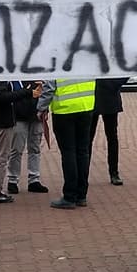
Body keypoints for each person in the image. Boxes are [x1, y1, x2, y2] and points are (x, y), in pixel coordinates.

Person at [41, 78, 95, 210]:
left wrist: (41, 107)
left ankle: (69, 196)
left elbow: (49, 87)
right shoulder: (88, 61)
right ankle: (81, 195)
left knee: (68, 153)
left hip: (64, 111)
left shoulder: (57, 62)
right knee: (82, 152)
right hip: (86, 107)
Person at [6, 80, 48, 194]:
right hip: (18, 116)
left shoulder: (40, 75)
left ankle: (34, 180)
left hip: (36, 115)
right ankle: (12, 180)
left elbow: (46, 92)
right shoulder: (13, 77)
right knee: (16, 149)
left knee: (35, 149)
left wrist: (45, 109)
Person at [93, 77, 128, 187]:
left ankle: (114, 172)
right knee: (86, 139)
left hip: (110, 97)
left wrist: (113, 85)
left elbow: (125, 72)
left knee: (112, 137)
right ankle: (82, 174)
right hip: (91, 98)